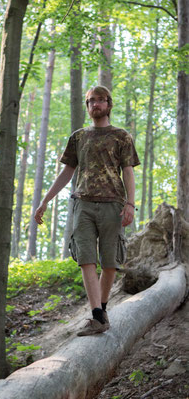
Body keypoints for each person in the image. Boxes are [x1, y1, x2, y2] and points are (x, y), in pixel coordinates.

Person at [34, 86, 140, 336]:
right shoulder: (78, 137)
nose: (95, 105)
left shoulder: (121, 136)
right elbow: (67, 171)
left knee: (110, 261)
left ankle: (102, 310)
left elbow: (128, 171)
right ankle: (96, 315)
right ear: (88, 106)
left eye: (100, 100)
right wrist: (45, 200)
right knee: (86, 259)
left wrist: (130, 203)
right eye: (91, 101)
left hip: (113, 203)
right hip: (82, 204)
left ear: (108, 104)